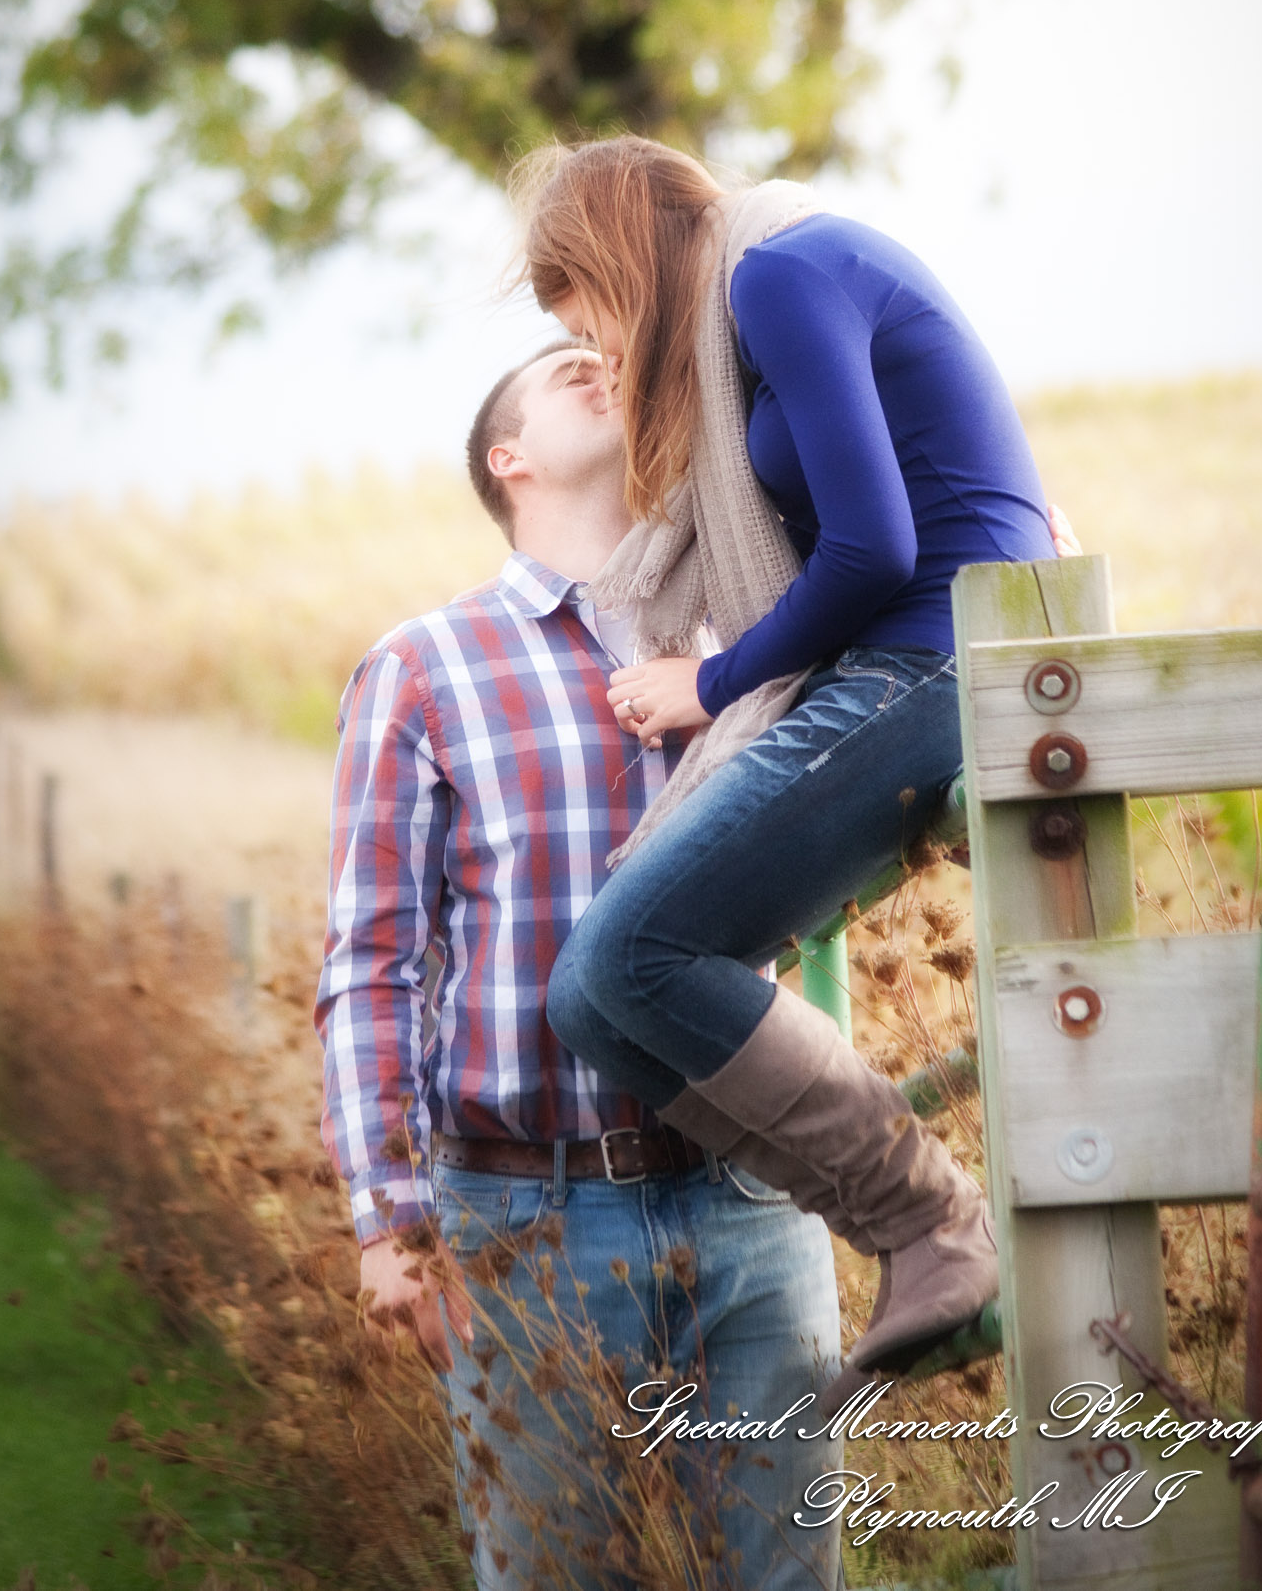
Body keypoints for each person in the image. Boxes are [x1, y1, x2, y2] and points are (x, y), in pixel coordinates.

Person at [517, 137, 1076, 1410]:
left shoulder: (777, 271)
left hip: (940, 655)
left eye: (587, 311)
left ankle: (936, 1228)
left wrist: (709, 686)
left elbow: (876, 547)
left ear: (621, 257)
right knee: (595, 1000)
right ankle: (920, 1236)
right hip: (893, 662)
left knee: (623, 961)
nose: (598, 346)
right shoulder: (757, 294)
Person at [314, 338, 849, 1591]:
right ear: (509, 461)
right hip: (529, 1219)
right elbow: (373, 956)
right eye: (562, 368)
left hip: (753, 1201)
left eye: (608, 354)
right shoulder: (423, 670)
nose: (598, 361)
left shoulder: (746, 645)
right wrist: (387, 1220)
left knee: (788, 1579)